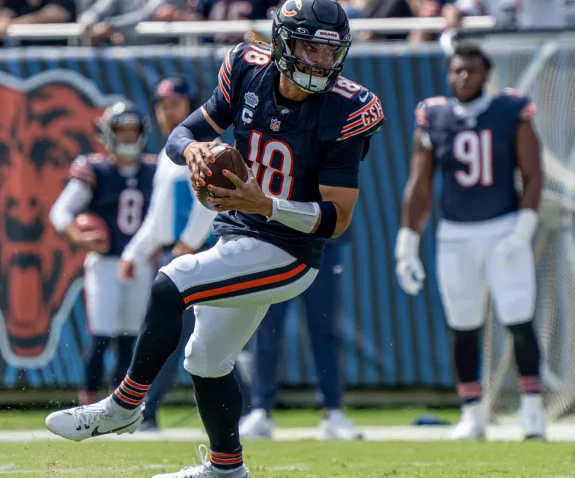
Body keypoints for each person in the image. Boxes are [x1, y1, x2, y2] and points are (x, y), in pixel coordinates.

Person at [46, 1, 383, 476]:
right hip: (237, 237)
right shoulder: (247, 68)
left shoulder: (350, 107)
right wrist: (196, 149)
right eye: (310, 48)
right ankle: (227, 469)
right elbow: (179, 136)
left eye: (330, 53)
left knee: (171, 281)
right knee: (205, 359)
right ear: (283, 44)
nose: (320, 63)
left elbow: (337, 219)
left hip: (289, 251)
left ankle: (124, 406)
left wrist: (265, 204)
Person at [395, 43, 545, 441]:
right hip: (455, 234)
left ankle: (532, 409)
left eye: (472, 70)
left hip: (503, 227)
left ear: (486, 74)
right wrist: (406, 242)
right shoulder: (435, 115)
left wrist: (523, 229)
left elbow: (533, 175)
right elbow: (420, 183)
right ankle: (472, 412)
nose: (463, 77)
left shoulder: (510, 110)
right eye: (457, 70)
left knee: (518, 319)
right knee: (463, 325)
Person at [119, 76, 218, 432]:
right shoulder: (166, 155)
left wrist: (190, 242)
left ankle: (144, 412)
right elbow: (157, 218)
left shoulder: (208, 143)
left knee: (190, 339)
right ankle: (146, 412)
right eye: (162, 105)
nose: (167, 112)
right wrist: (134, 252)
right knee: (181, 339)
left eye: (175, 103)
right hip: (174, 256)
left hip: (201, 256)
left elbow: (211, 203)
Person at [49, 102, 157, 407]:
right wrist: (78, 237)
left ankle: (122, 405)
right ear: (108, 134)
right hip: (105, 263)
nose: (126, 138)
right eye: (120, 131)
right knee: (101, 336)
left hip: (139, 265)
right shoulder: (94, 169)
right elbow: (60, 212)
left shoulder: (153, 168)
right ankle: (87, 403)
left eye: (131, 131)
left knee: (130, 338)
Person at [239, 234, 361, 440]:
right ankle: (261, 410)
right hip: (274, 240)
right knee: (266, 327)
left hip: (321, 240)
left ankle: (332, 411)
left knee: (325, 328)